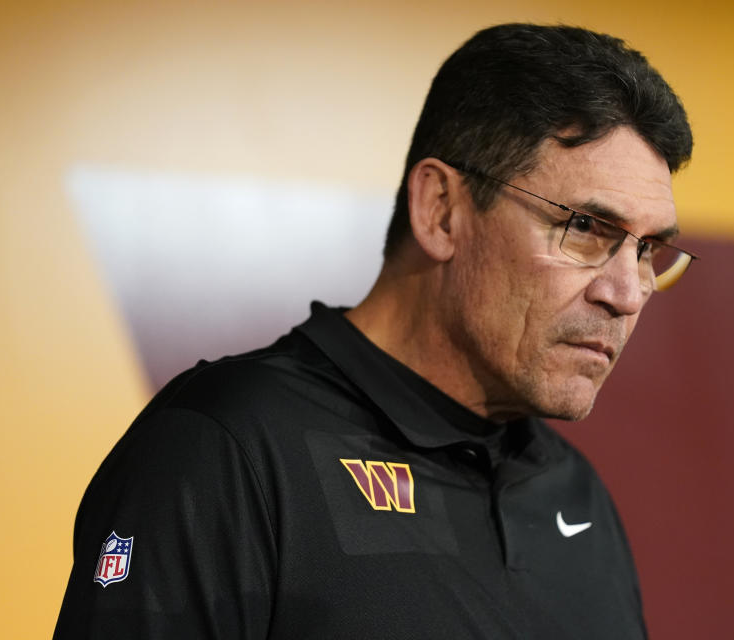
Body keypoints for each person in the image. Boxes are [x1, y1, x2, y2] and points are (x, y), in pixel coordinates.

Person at [54, 23, 694, 639]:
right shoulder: (228, 450)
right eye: (585, 228)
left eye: (648, 251)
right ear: (441, 211)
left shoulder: (577, 494)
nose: (628, 292)